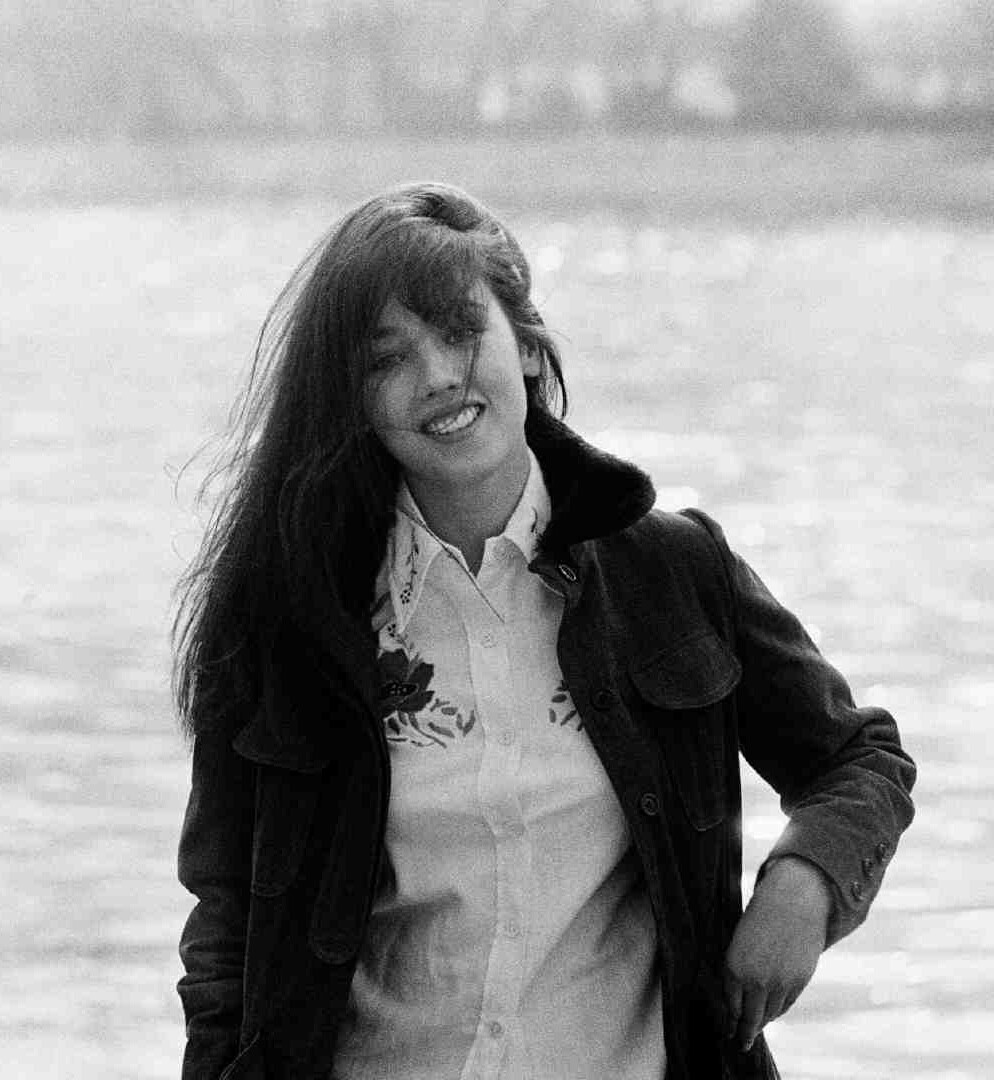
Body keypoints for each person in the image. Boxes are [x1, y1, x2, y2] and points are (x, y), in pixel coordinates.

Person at [174, 182, 916, 1080]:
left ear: (524, 343)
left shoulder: (672, 572)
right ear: (355, 400)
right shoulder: (291, 613)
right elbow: (224, 929)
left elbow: (860, 759)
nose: (439, 377)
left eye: (460, 332)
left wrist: (806, 883)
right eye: (389, 359)